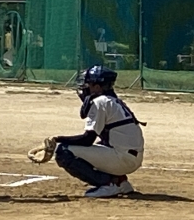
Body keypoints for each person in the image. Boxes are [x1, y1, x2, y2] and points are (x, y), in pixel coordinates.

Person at [51, 65, 145, 198]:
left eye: (88, 84)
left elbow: (87, 139)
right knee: (100, 144)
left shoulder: (100, 102)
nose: (84, 88)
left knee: (63, 151)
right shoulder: (112, 101)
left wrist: (58, 139)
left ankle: (107, 184)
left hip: (123, 159)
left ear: (97, 87)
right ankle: (120, 181)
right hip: (130, 156)